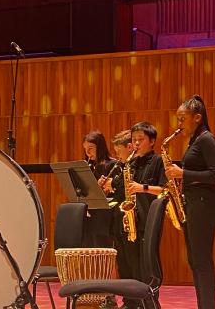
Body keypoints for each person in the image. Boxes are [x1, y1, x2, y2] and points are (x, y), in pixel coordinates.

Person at [165, 95, 215, 309]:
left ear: (197, 117)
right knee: (194, 260)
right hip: (193, 201)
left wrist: (182, 173)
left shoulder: (207, 139)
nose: (178, 125)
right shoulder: (194, 140)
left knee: (202, 260)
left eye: (182, 119)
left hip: (204, 202)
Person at [124, 122, 167, 309]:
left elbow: (165, 190)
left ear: (152, 141)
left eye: (141, 139)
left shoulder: (158, 161)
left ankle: (150, 303)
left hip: (150, 219)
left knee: (148, 266)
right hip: (134, 219)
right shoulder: (131, 163)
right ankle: (133, 303)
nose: (136, 143)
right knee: (132, 265)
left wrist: (143, 188)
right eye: (134, 140)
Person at [99, 130, 140, 309]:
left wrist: (113, 184)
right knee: (123, 263)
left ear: (129, 147)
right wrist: (108, 187)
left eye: (119, 152)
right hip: (119, 220)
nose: (117, 156)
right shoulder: (122, 166)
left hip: (133, 221)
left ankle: (137, 302)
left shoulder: (134, 165)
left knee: (133, 263)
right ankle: (128, 301)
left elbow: (129, 188)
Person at [82, 130, 116, 248]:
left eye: (90, 148)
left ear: (100, 147)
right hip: (89, 215)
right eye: (85, 149)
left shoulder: (112, 164)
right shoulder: (87, 167)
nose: (87, 152)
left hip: (104, 217)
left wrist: (100, 188)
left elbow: (113, 192)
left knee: (102, 250)